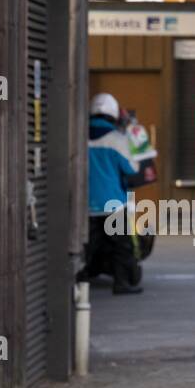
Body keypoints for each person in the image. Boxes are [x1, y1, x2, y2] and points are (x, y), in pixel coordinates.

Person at [83, 93, 143, 294]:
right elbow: (133, 169)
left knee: (86, 248)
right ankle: (122, 283)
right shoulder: (117, 139)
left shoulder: (79, 137)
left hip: (85, 205)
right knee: (122, 246)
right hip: (113, 203)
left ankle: (79, 284)